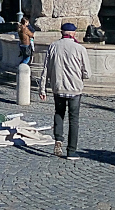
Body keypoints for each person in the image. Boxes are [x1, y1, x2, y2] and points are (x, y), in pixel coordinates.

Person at [39, 23, 89, 161]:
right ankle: (71, 151)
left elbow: (46, 69)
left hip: (58, 87)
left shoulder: (53, 46)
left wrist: (42, 88)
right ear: (74, 33)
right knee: (74, 119)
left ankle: (58, 140)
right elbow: (87, 73)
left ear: (62, 32)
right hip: (75, 89)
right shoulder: (80, 48)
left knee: (59, 113)